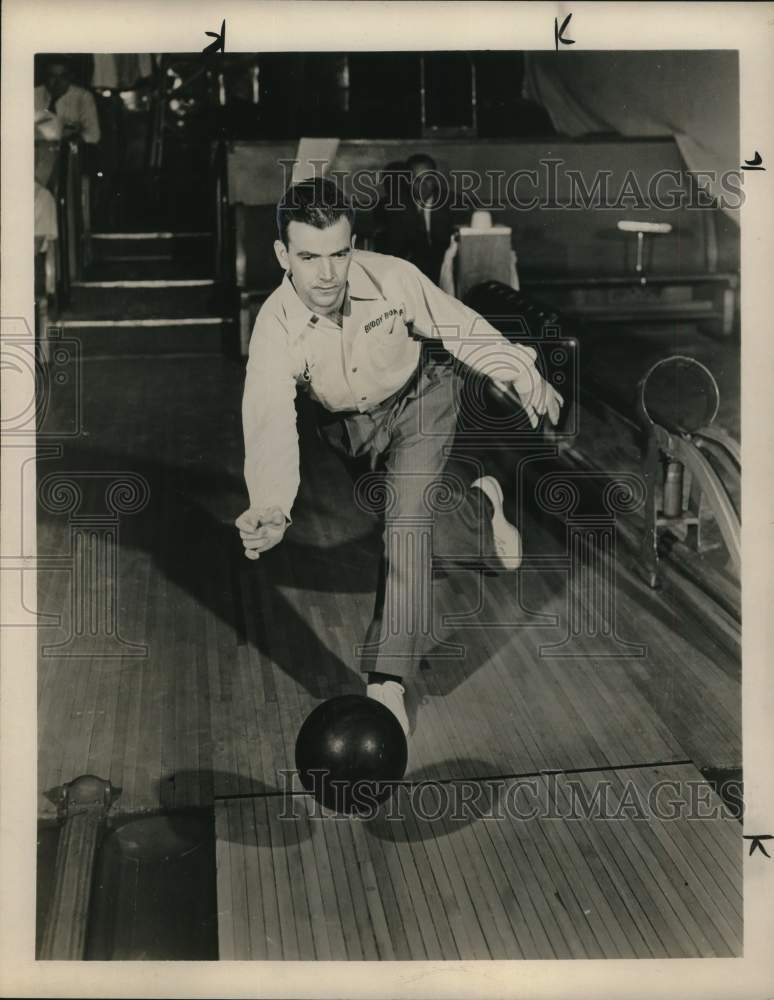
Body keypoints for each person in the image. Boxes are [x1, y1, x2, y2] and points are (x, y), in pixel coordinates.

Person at [236, 177, 562, 738]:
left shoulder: (392, 277)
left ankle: (387, 683)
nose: (327, 274)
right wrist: (271, 506)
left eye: (339, 254)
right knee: (418, 520)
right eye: (309, 257)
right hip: (349, 429)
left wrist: (523, 373)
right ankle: (480, 513)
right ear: (282, 254)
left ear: (353, 244)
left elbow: (459, 327)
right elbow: (269, 419)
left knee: (404, 528)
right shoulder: (274, 327)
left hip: (422, 398)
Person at [377, 153, 454, 284]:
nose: (423, 185)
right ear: (407, 181)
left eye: (428, 179)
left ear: (435, 179)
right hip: (410, 276)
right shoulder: (395, 209)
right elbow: (394, 252)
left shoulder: (453, 204)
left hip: (447, 273)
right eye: (417, 180)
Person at [34, 56, 101, 146]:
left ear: (70, 77)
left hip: (68, 151)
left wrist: (67, 141)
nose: (58, 82)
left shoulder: (83, 97)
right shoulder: (33, 94)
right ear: (45, 77)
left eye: (63, 76)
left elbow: (93, 135)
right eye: (52, 76)